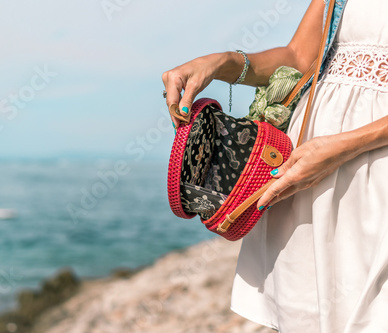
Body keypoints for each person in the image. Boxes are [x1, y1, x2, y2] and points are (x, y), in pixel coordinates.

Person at [162, 0, 388, 332]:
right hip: (304, 172)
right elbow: (299, 57)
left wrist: (343, 147)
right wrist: (219, 63)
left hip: (371, 166)